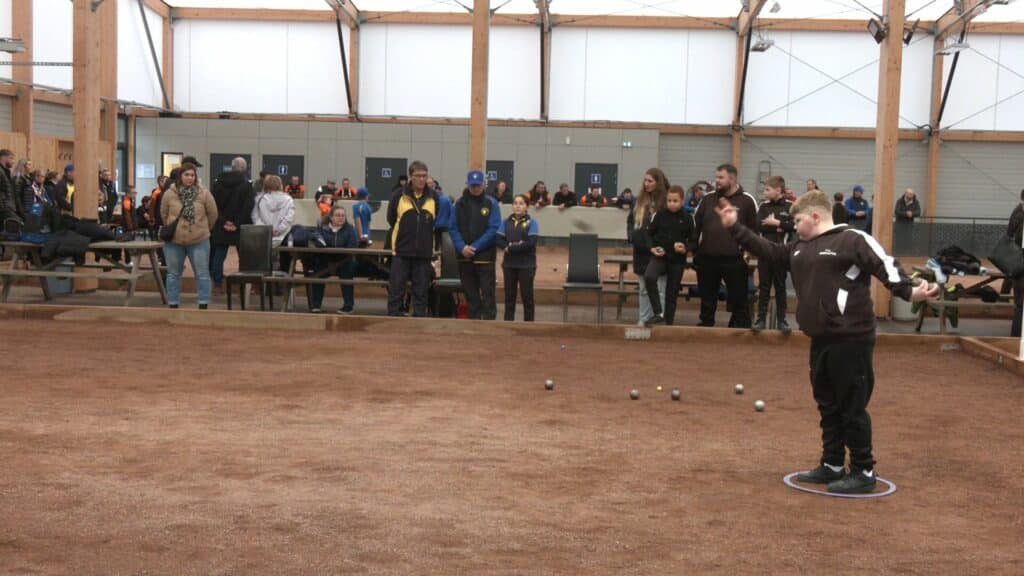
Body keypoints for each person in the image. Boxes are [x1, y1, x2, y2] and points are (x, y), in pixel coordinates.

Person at [715, 189, 938, 494]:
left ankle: (863, 470)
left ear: (816, 216)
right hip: (820, 339)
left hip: (851, 338)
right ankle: (832, 463)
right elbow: (767, 250)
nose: (794, 225)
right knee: (827, 404)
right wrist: (734, 227)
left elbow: (884, 264)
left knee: (852, 405)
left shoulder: (853, 240)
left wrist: (910, 292)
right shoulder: (798, 248)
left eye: (798, 219)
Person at [691, 163, 758, 328]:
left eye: (721, 177)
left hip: (734, 259)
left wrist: (749, 252)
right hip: (707, 257)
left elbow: (754, 230)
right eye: (716, 177)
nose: (717, 181)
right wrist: (694, 250)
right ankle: (706, 324)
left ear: (732, 178)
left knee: (738, 297)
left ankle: (739, 327)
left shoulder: (747, 200)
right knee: (707, 297)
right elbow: (696, 225)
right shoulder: (707, 199)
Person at [160, 162, 218, 310]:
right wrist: (174, 227)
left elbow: (213, 215)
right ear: (180, 176)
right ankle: (173, 303)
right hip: (174, 241)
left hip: (199, 239)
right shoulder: (169, 193)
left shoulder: (204, 193)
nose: (190, 178)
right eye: (186, 175)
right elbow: (164, 214)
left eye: (192, 175)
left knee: (202, 273)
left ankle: (203, 303)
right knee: (173, 274)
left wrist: (203, 228)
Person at [386, 161, 437, 317]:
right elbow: (391, 219)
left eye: (424, 176)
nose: (422, 179)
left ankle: (419, 320)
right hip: (401, 251)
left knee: (421, 291)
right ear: (410, 177)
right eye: (418, 176)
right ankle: (394, 316)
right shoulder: (398, 196)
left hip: (424, 253)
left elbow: (435, 222)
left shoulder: (434, 197)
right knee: (396, 288)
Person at [451, 170, 502, 320]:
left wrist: (475, 247)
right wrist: (462, 247)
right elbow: (453, 228)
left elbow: (493, 228)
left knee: (488, 294)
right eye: (472, 185)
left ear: (483, 185)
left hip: (485, 257)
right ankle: (473, 324)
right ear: (467, 185)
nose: (475, 188)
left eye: (478, 185)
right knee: (470, 295)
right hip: (464, 257)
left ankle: (489, 323)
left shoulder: (491, 203)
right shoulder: (459, 204)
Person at [643, 185, 693, 326]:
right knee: (649, 276)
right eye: (669, 200)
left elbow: (694, 240)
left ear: (682, 201)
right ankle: (658, 313)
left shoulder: (688, 218)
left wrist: (685, 248)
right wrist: (652, 248)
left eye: (675, 201)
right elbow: (648, 233)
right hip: (659, 256)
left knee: (672, 293)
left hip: (677, 260)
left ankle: (669, 324)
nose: (671, 204)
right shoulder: (660, 215)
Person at [753, 175, 794, 333]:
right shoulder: (763, 206)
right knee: (764, 287)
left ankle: (782, 320)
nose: (765, 192)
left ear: (778, 190)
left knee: (780, 287)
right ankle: (761, 319)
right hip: (765, 253)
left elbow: (794, 226)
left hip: (781, 254)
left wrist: (778, 223)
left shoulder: (790, 206)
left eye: (768, 190)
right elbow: (758, 225)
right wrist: (776, 227)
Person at [628, 168, 669, 326]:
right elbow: (630, 221)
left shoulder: (666, 202)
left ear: (658, 182)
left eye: (650, 181)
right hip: (641, 252)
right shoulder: (639, 201)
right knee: (644, 288)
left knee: (660, 289)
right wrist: (632, 236)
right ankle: (644, 319)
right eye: (645, 180)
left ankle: (659, 319)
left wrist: (658, 245)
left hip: (658, 252)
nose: (646, 184)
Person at [210, 157, 255, 293]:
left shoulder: (218, 184)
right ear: (245, 169)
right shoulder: (247, 185)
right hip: (240, 226)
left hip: (221, 224)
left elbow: (213, 206)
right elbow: (248, 207)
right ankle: (243, 285)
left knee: (219, 254)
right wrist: (237, 223)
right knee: (244, 256)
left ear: (231, 167)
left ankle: (217, 285)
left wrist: (224, 222)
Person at [308, 204, 358, 314]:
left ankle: (348, 306)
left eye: (343, 216)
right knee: (317, 272)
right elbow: (317, 242)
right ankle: (316, 305)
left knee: (347, 273)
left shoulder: (350, 230)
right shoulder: (322, 229)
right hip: (325, 260)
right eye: (338, 215)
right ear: (331, 217)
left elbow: (352, 246)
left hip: (344, 261)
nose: (341, 218)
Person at [497, 194, 538, 321]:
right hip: (509, 265)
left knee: (527, 297)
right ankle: (508, 324)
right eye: (515, 203)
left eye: (521, 203)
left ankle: (529, 325)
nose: (518, 206)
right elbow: (498, 239)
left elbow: (530, 243)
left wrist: (510, 247)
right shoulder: (505, 222)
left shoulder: (532, 222)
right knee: (509, 297)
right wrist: (515, 245)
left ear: (527, 206)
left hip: (527, 265)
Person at [251, 174, 295, 249]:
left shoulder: (258, 199)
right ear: (280, 185)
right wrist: (279, 230)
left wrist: (268, 231)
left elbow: (255, 218)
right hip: (283, 237)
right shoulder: (288, 199)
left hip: (263, 237)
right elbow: (289, 219)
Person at [1008, 190, 1024, 337]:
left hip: (1017, 264)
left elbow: (1009, 234)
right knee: (1020, 303)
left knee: (1019, 303)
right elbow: (1012, 236)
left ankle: (1016, 335)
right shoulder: (1019, 215)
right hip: (1020, 264)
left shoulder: (1017, 213)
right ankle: (1016, 336)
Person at [0, 149, 20, 223]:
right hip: (3, 209)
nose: (13, 161)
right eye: (11, 158)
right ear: (3, 158)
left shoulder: (6, 172)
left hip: (8, 208)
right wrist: (4, 207)